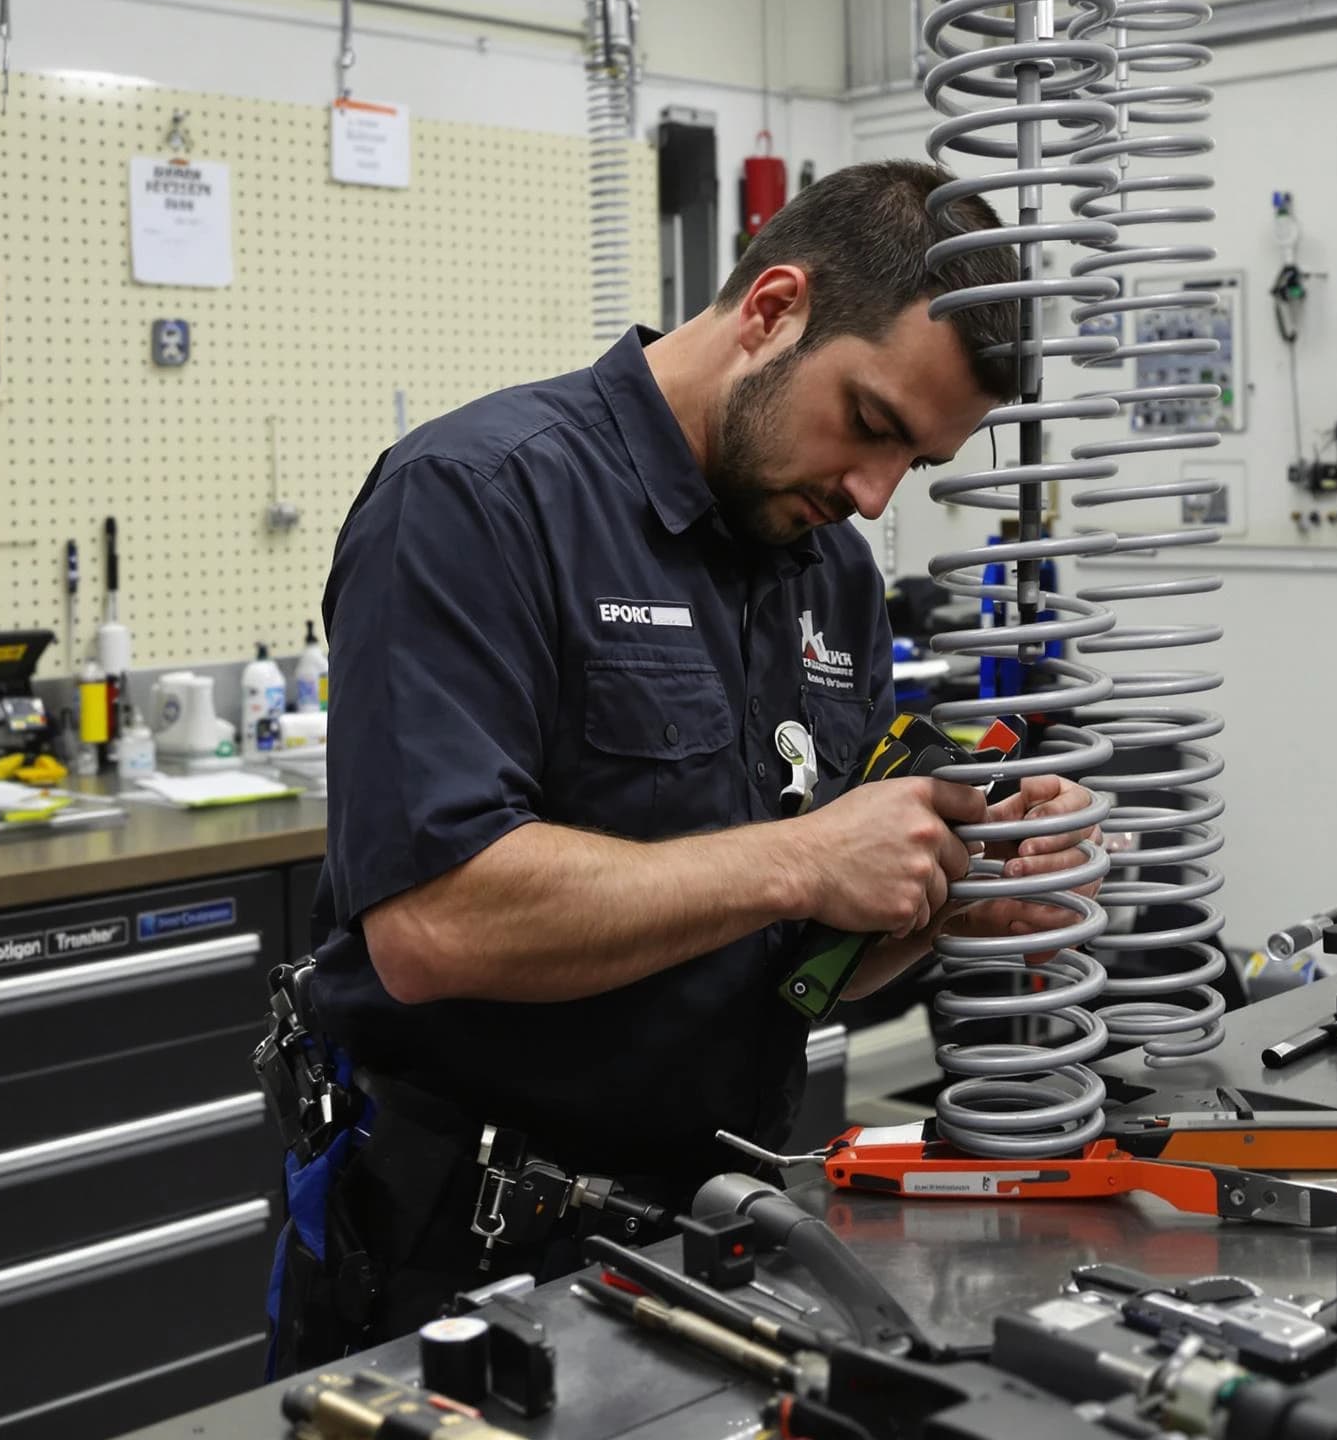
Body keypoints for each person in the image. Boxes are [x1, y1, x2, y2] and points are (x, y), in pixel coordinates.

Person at [269, 159, 1102, 1372]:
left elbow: (802, 967)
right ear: (771, 309)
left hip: (716, 1240)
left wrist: (947, 900)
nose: (873, 495)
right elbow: (433, 923)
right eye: (871, 423)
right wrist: (806, 857)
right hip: (458, 1259)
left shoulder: (828, 568)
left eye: (912, 464)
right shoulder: (477, 498)